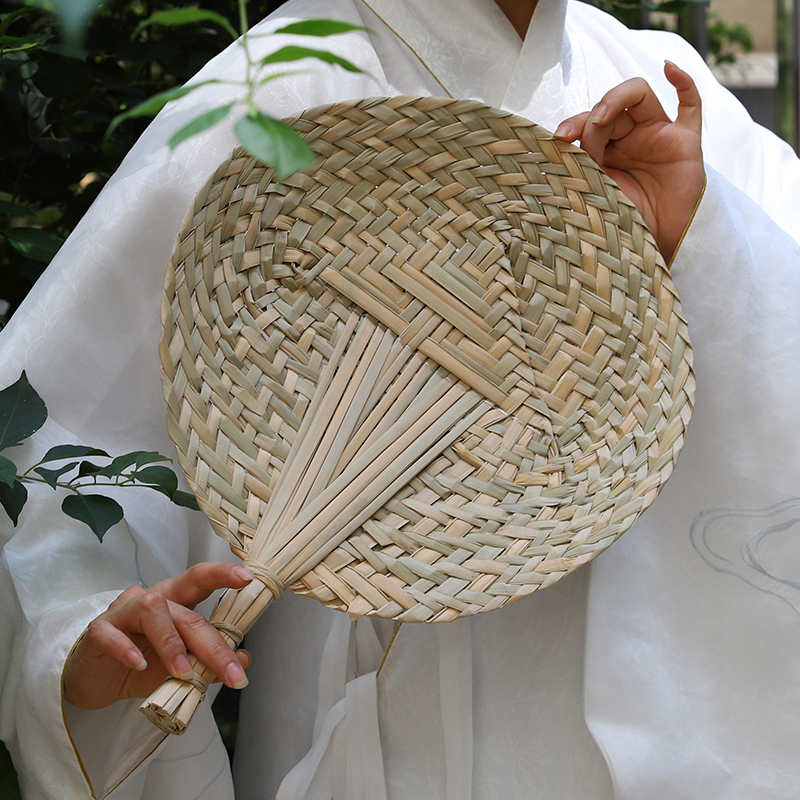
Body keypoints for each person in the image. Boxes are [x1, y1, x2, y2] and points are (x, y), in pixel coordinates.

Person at [1, 0, 799, 798]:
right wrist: (79, 632)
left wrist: (699, 239)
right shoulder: (280, 89)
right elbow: (63, 435)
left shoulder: (671, 95)